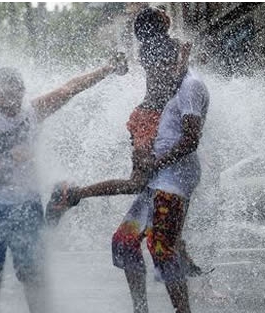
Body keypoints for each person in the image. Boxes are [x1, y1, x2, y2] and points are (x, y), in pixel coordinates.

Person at [0, 19, 127, 313]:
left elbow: (71, 87)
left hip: (26, 202)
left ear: (22, 91)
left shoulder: (34, 111)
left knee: (32, 270)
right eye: (2, 91)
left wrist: (108, 68)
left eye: (14, 91)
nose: (8, 98)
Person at [45, 7, 205, 279]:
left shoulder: (150, 48)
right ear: (160, 23)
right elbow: (171, 83)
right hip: (152, 119)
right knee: (140, 183)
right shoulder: (164, 47)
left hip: (151, 116)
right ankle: (71, 195)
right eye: (161, 13)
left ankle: (179, 250)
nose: (166, 14)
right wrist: (185, 57)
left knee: (163, 188)